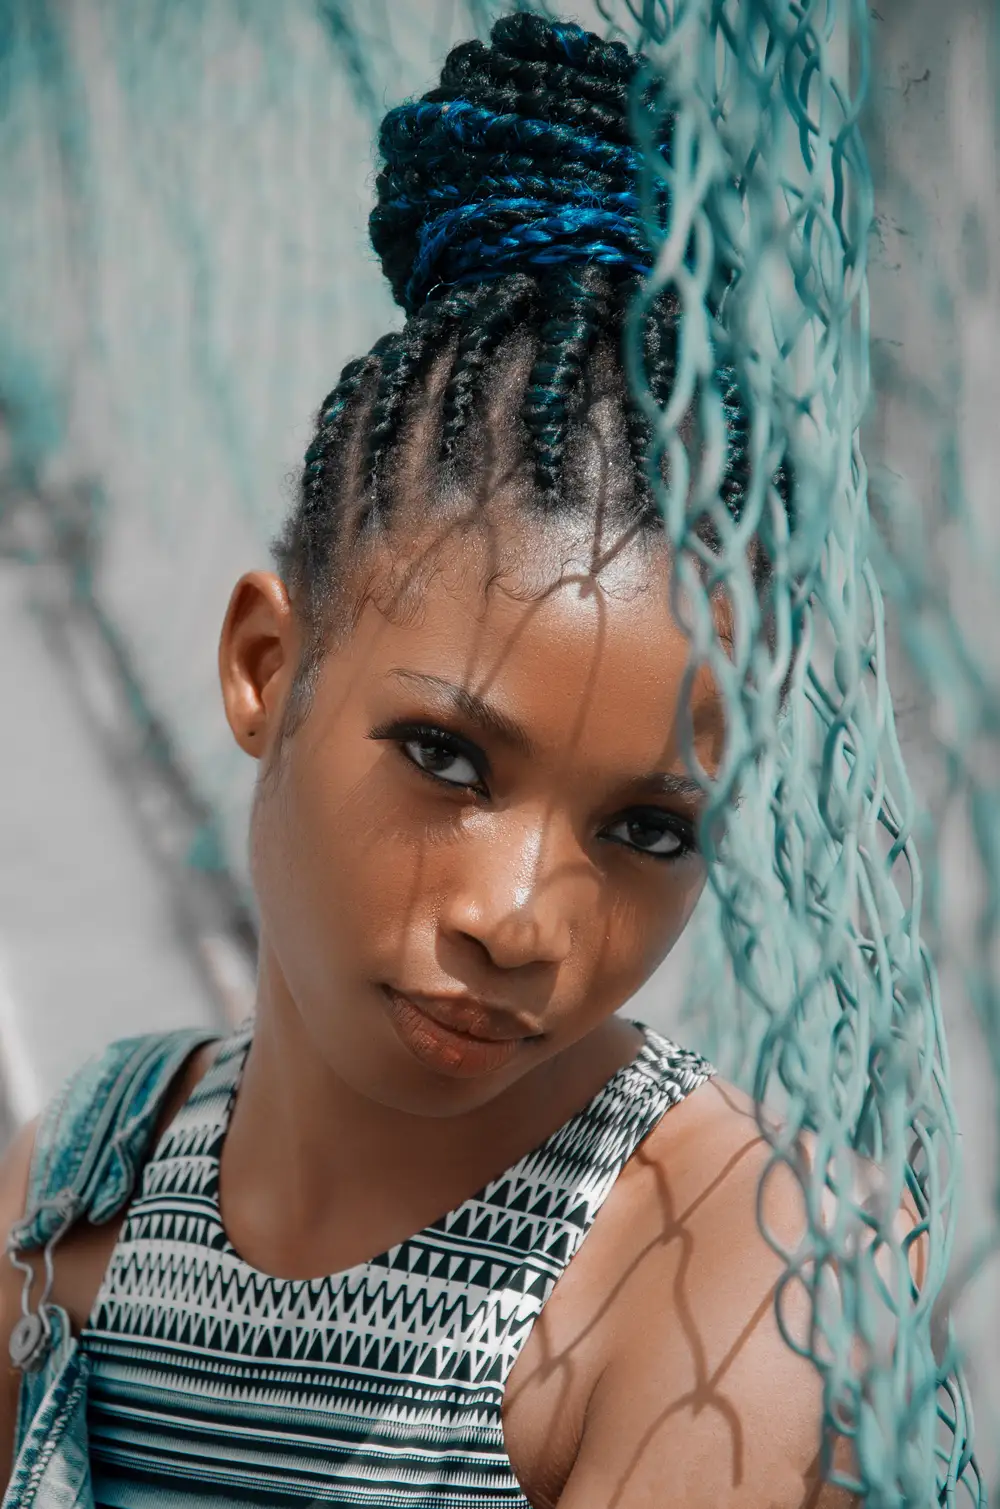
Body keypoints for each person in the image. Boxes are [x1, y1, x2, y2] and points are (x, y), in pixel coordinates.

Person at [0, 16, 880, 1508]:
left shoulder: (723, 1256)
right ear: (267, 672)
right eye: (449, 757)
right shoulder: (73, 1180)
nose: (521, 920)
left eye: (652, 831)